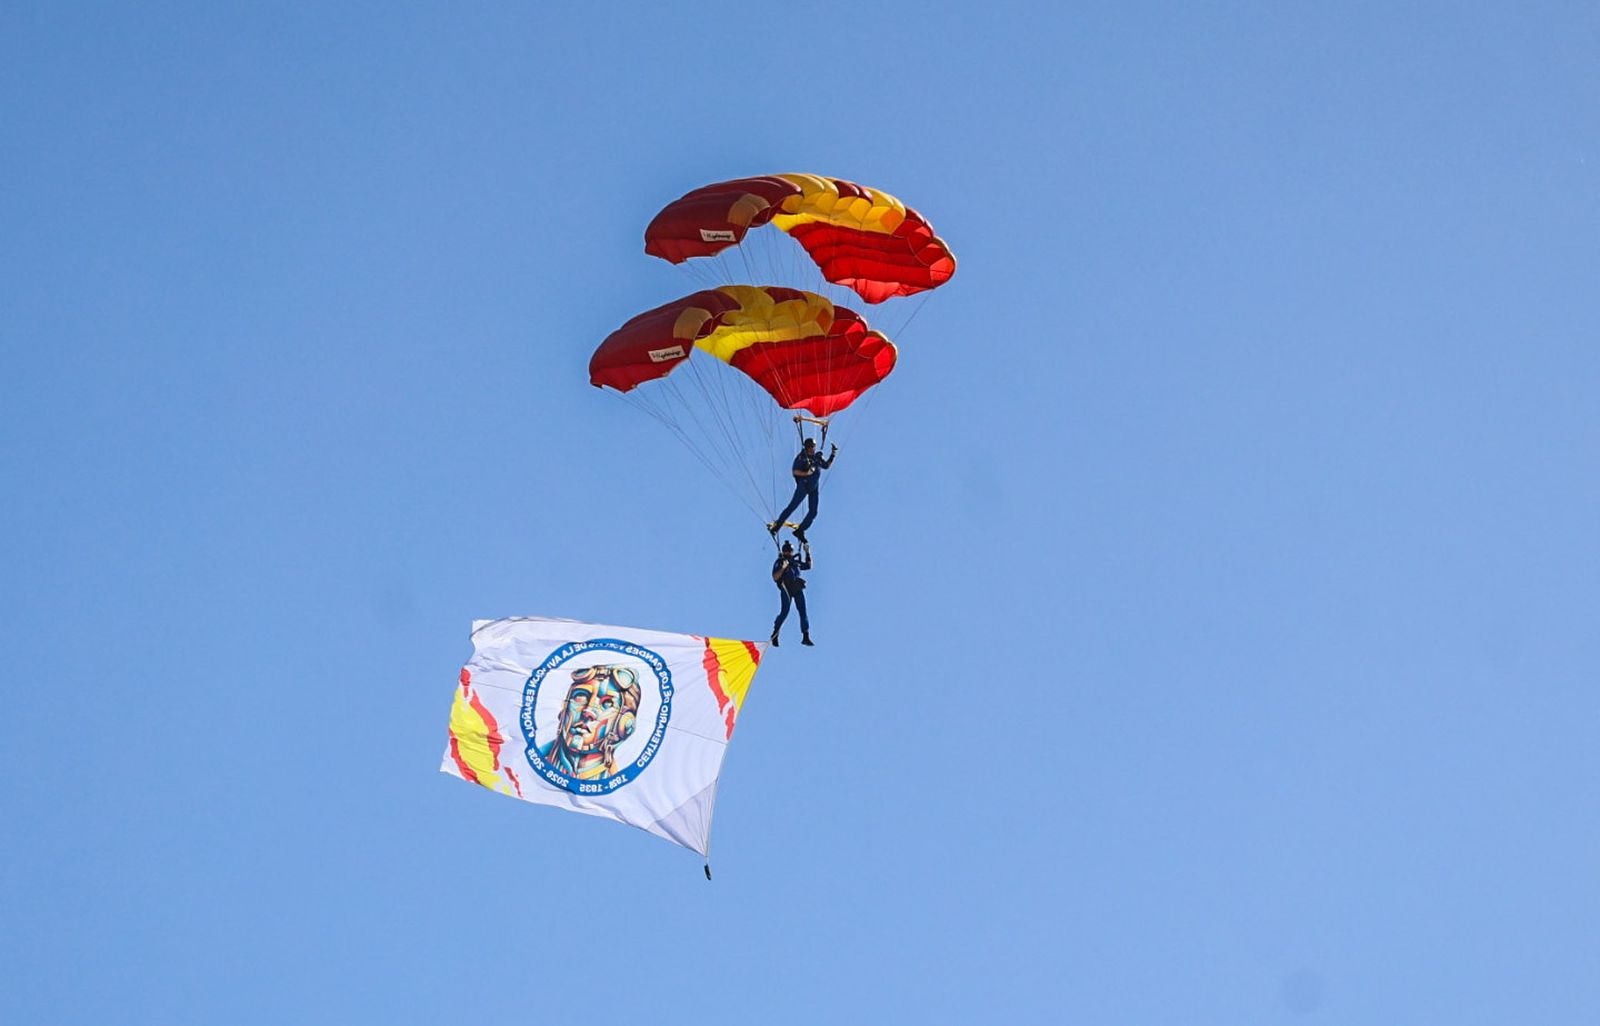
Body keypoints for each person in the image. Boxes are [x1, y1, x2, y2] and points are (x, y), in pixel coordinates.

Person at [537, 664, 642, 780]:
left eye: (607, 704)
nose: (588, 712)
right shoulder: (529, 765)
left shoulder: (619, 789)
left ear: (624, 724)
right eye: (581, 696)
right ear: (565, 708)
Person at [769, 437, 837, 543]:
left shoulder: (817, 458)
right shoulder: (801, 457)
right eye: (810, 447)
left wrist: (832, 454)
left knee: (813, 512)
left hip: (814, 488)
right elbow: (795, 472)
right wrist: (807, 473)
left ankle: (800, 531)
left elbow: (826, 465)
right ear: (806, 447)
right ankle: (776, 527)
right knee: (792, 507)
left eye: (813, 447)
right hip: (804, 486)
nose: (812, 449)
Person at [770, 539, 813, 647]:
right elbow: (775, 577)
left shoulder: (795, 562)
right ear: (784, 551)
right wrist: (783, 567)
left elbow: (808, 566)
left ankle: (806, 636)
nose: (789, 553)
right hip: (786, 587)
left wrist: (807, 552)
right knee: (785, 612)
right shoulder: (780, 562)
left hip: (796, 586)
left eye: (790, 551)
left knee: (803, 611)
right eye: (787, 551)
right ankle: (775, 634)